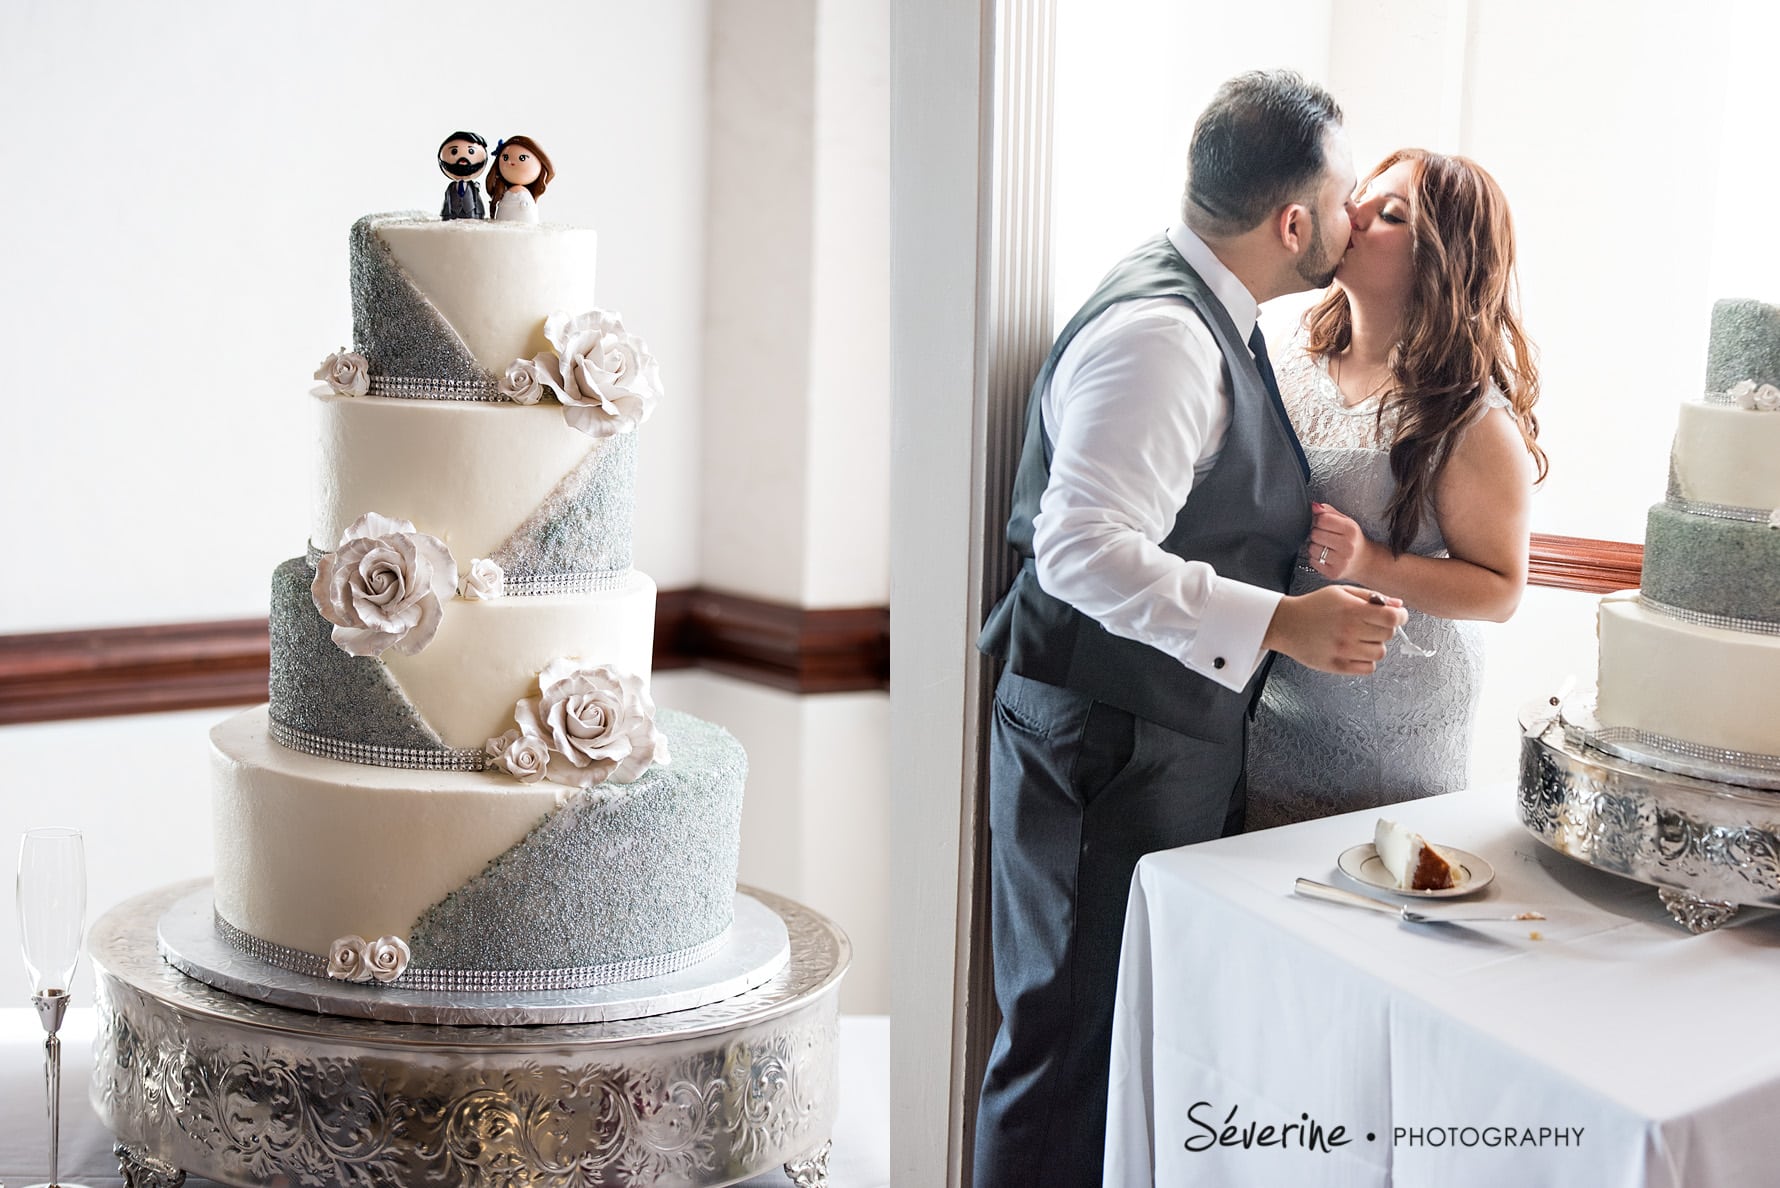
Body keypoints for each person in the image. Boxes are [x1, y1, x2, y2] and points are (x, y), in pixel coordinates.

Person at [973, 71, 1408, 1187]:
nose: (1360, 217)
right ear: (1294, 223)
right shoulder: (1166, 335)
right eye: (1349, 196)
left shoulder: (1221, 310)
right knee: (1066, 1050)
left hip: (1152, 736)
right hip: (1102, 746)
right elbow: (1079, 553)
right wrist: (1284, 625)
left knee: (1118, 1046)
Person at [1243, 149, 1546, 831]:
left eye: (1391, 214)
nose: (1353, 215)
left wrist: (1369, 565)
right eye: (1362, 197)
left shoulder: (1469, 419)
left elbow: (1501, 590)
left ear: (1438, 262)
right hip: (1279, 701)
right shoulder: (1287, 363)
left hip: (1394, 731)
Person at [487, 135, 555, 224]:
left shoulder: (526, 195)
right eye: (506, 158)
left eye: (522, 158)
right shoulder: (506, 195)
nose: (510, 162)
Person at [439, 131, 490, 221]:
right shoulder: (451, 187)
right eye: (454, 151)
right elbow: (447, 200)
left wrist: (480, 213)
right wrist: (445, 214)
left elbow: (477, 200)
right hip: (453, 215)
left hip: (471, 214)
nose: (462, 160)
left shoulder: (473, 187)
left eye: (471, 151)